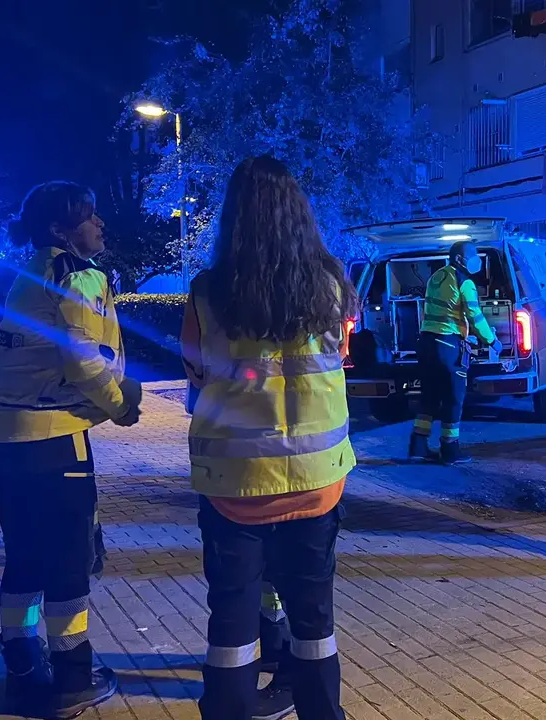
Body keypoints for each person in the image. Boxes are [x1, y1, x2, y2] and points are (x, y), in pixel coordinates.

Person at [181, 156, 352, 720]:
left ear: (234, 216)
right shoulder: (332, 285)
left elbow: (196, 371)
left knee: (232, 621)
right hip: (315, 482)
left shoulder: (207, 293)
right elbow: (339, 357)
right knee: (314, 620)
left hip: (234, 486)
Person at [0, 181, 141, 718]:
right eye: (89, 216)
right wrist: (122, 405)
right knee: (69, 559)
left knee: (24, 553)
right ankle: (72, 677)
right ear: (59, 230)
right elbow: (85, 361)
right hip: (48, 436)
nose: (100, 224)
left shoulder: (32, 271)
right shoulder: (77, 275)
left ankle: (23, 666)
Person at [407, 241, 502, 464]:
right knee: (453, 398)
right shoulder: (464, 282)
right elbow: (475, 316)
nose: (477, 259)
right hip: (448, 346)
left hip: (427, 343)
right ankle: (450, 451)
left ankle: (418, 446)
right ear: (460, 259)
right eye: (473, 255)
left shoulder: (437, 277)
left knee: (429, 398)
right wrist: (492, 341)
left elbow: (444, 311)